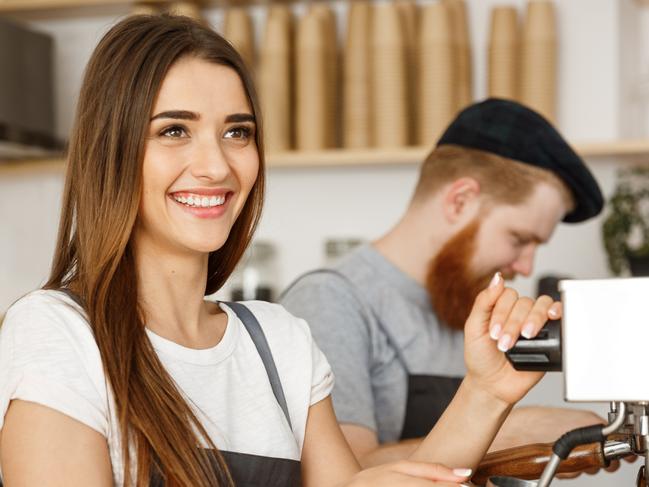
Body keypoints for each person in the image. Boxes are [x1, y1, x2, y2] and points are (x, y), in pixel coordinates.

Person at [0, 15, 562, 487]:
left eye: (237, 132)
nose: (217, 165)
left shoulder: (278, 341)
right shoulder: (57, 333)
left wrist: (487, 390)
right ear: (111, 151)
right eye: (174, 131)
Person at [280, 98, 607, 468]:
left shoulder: (462, 303)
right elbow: (344, 478)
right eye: (519, 239)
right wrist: (513, 431)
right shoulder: (331, 301)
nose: (526, 266)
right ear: (460, 200)